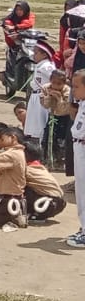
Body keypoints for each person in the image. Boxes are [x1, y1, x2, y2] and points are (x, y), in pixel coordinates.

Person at [21, 140, 66, 221]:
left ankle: (35, 214)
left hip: (48, 204)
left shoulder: (27, 170)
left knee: (18, 187)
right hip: (59, 202)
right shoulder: (39, 167)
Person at [23, 41, 56, 144]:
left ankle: (41, 144)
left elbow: (55, 79)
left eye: (36, 53)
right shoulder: (39, 66)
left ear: (44, 54)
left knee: (40, 123)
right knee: (33, 124)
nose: (34, 55)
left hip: (41, 97)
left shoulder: (47, 66)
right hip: (35, 96)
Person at [41, 69, 73, 171]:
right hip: (52, 116)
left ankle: (60, 162)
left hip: (64, 117)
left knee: (61, 141)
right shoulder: (46, 87)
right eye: (53, 82)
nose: (55, 86)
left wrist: (59, 99)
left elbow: (65, 109)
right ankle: (48, 160)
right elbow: (45, 105)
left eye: (59, 84)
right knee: (47, 138)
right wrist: (49, 97)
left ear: (64, 83)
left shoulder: (68, 91)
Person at [67, 71, 85, 247]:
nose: (73, 90)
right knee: (80, 190)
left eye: (77, 86)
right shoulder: (81, 103)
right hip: (78, 146)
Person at [2, 0, 36, 78]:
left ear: (25, 9)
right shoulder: (11, 17)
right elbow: (5, 22)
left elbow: (29, 23)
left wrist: (15, 27)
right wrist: (6, 27)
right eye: (17, 10)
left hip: (28, 42)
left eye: (21, 10)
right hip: (14, 43)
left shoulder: (30, 16)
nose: (18, 12)